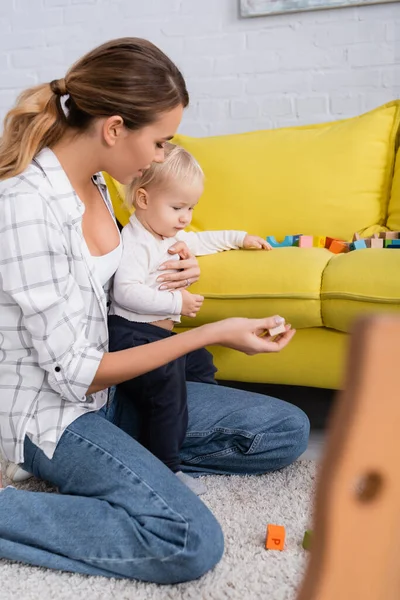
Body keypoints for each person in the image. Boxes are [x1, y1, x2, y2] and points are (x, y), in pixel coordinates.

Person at [0, 37, 309, 583]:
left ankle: (127, 468)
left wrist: (177, 262)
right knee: (186, 539)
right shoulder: (24, 206)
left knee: (285, 430)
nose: (162, 157)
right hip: (52, 412)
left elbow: (102, 283)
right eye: (161, 141)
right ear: (115, 128)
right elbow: (74, 374)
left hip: (110, 390)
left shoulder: (95, 181)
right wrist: (210, 331)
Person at [108, 142, 273, 495]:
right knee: (167, 376)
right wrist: (175, 303)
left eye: (191, 207)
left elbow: (202, 239)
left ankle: (197, 418)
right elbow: (125, 292)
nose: (185, 217)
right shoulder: (135, 242)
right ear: (143, 199)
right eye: (178, 207)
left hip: (157, 335)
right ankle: (167, 468)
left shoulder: (166, 234)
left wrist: (240, 238)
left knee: (200, 362)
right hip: (129, 333)